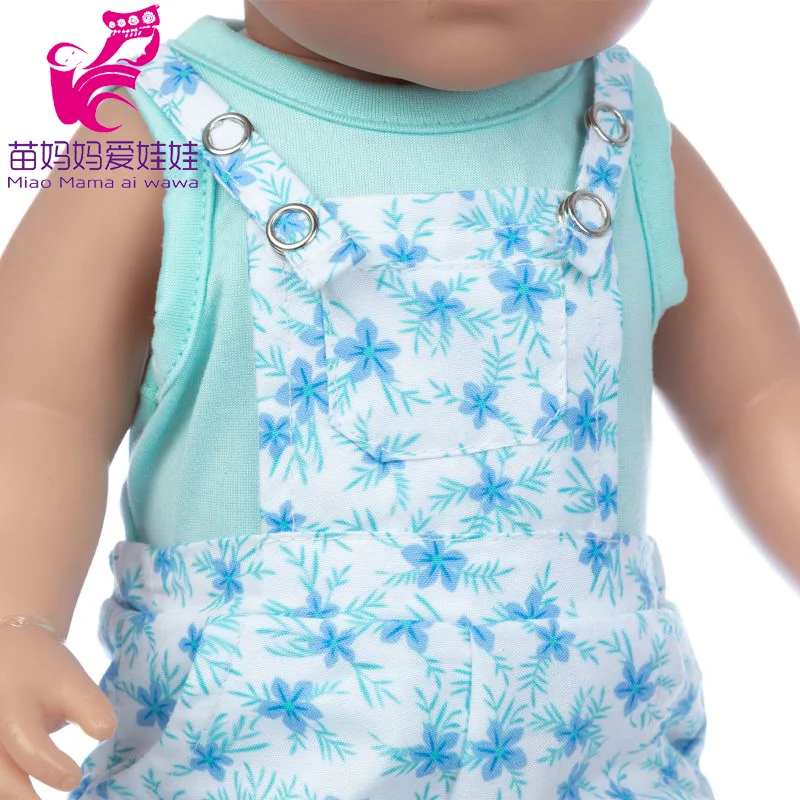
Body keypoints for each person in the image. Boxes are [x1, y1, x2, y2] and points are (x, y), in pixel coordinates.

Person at [1, 2, 797, 798]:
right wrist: (16, 617)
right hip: (252, 760)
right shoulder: (156, 137)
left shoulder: (619, 133)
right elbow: (37, 408)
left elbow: (761, 396)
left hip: (595, 753)